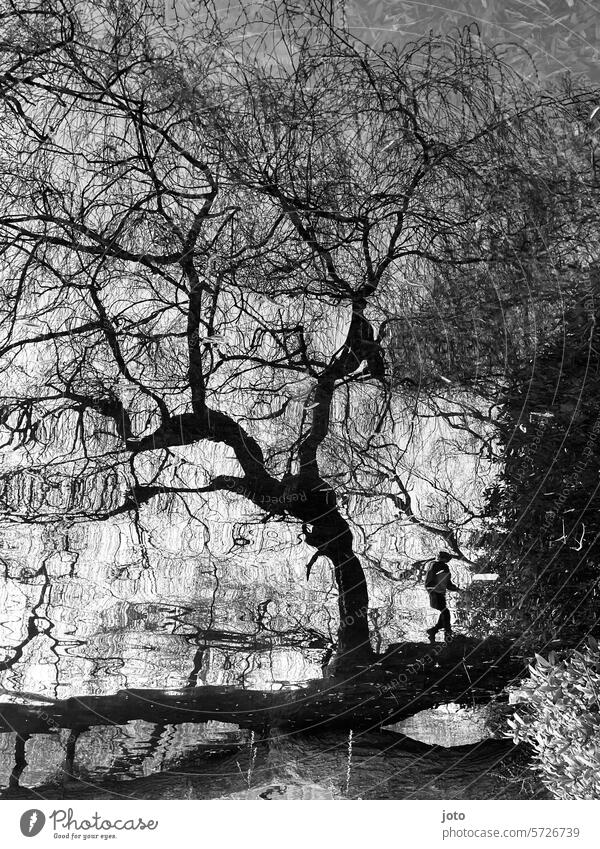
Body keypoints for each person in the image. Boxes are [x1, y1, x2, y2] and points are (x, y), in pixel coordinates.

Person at [425, 551, 461, 643]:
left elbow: (448, 584)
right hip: (436, 592)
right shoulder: (436, 565)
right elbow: (430, 580)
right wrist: (432, 589)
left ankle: (434, 630)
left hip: (439, 592)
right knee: (445, 612)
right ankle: (448, 635)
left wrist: (457, 589)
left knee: (444, 612)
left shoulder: (440, 567)